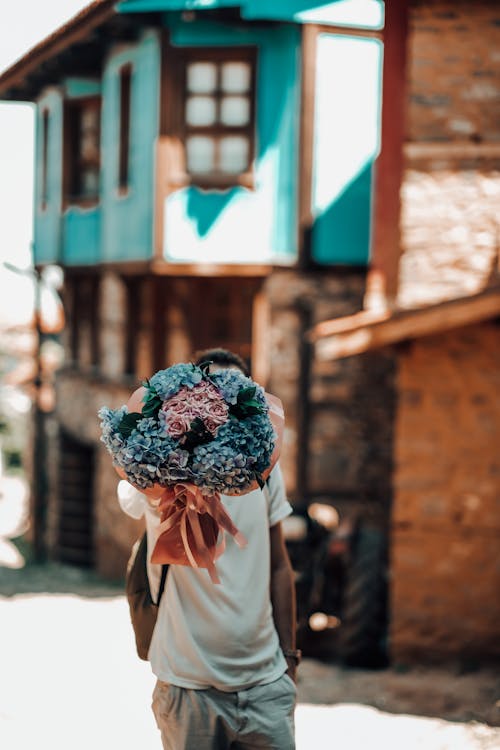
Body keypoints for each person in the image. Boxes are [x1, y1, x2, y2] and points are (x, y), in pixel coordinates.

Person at [118, 348, 299, 750]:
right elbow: (133, 489)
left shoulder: (268, 475)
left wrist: (289, 659)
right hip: (188, 689)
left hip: (266, 687)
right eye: (210, 393)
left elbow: (279, 567)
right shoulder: (161, 481)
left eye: (234, 397)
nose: (221, 407)